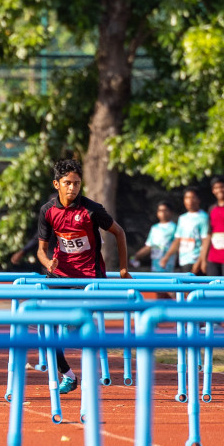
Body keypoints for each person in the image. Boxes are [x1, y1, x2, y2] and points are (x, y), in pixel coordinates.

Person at [35, 157, 131, 394]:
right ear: (56, 184)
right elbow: (41, 250)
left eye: (76, 183)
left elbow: (119, 233)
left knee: (72, 324)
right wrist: (48, 264)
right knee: (45, 328)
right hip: (59, 274)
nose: (72, 188)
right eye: (67, 183)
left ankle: (88, 354)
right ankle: (68, 375)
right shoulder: (48, 211)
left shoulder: (91, 209)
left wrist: (123, 268)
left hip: (88, 277)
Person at [172, 189, 209, 275]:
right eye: (187, 198)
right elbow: (178, 239)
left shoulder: (203, 217)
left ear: (198, 200)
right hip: (183, 260)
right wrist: (166, 257)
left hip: (195, 260)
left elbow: (206, 240)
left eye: (193, 197)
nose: (189, 201)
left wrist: (201, 261)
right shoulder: (182, 218)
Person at [134, 202, 178, 273]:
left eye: (165, 210)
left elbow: (176, 245)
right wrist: (136, 256)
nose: (162, 213)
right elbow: (149, 246)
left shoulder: (174, 227)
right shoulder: (154, 228)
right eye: (160, 210)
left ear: (171, 212)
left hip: (167, 265)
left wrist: (167, 257)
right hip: (155, 265)